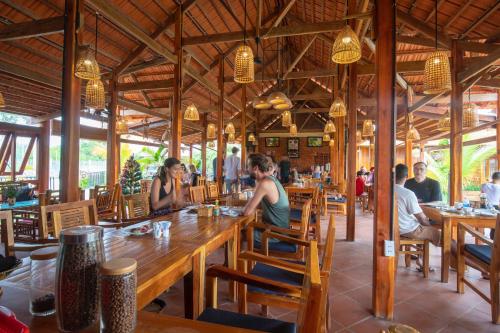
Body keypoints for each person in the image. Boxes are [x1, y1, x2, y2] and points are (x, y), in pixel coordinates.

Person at [243, 153, 290, 243]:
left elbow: (246, 212)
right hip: (280, 229)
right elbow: (258, 206)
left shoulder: (264, 183)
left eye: (248, 166)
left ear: (255, 168)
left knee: (238, 232)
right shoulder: (271, 179)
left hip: (275, 234)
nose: (247, 169)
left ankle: (243, 257)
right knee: (247, 226)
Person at [395, 164, 441, 247]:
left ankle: (419, 253)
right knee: (443, 237)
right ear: (407, 175)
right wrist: (429, 227)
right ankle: (460, 257)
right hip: (407, 227)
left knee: (422, 225)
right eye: (416, 169)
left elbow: (437, 202)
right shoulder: (408, 190)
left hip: (396, 225)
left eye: (421, 169)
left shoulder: (434, 183)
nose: (418, 171)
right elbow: (421, 218)